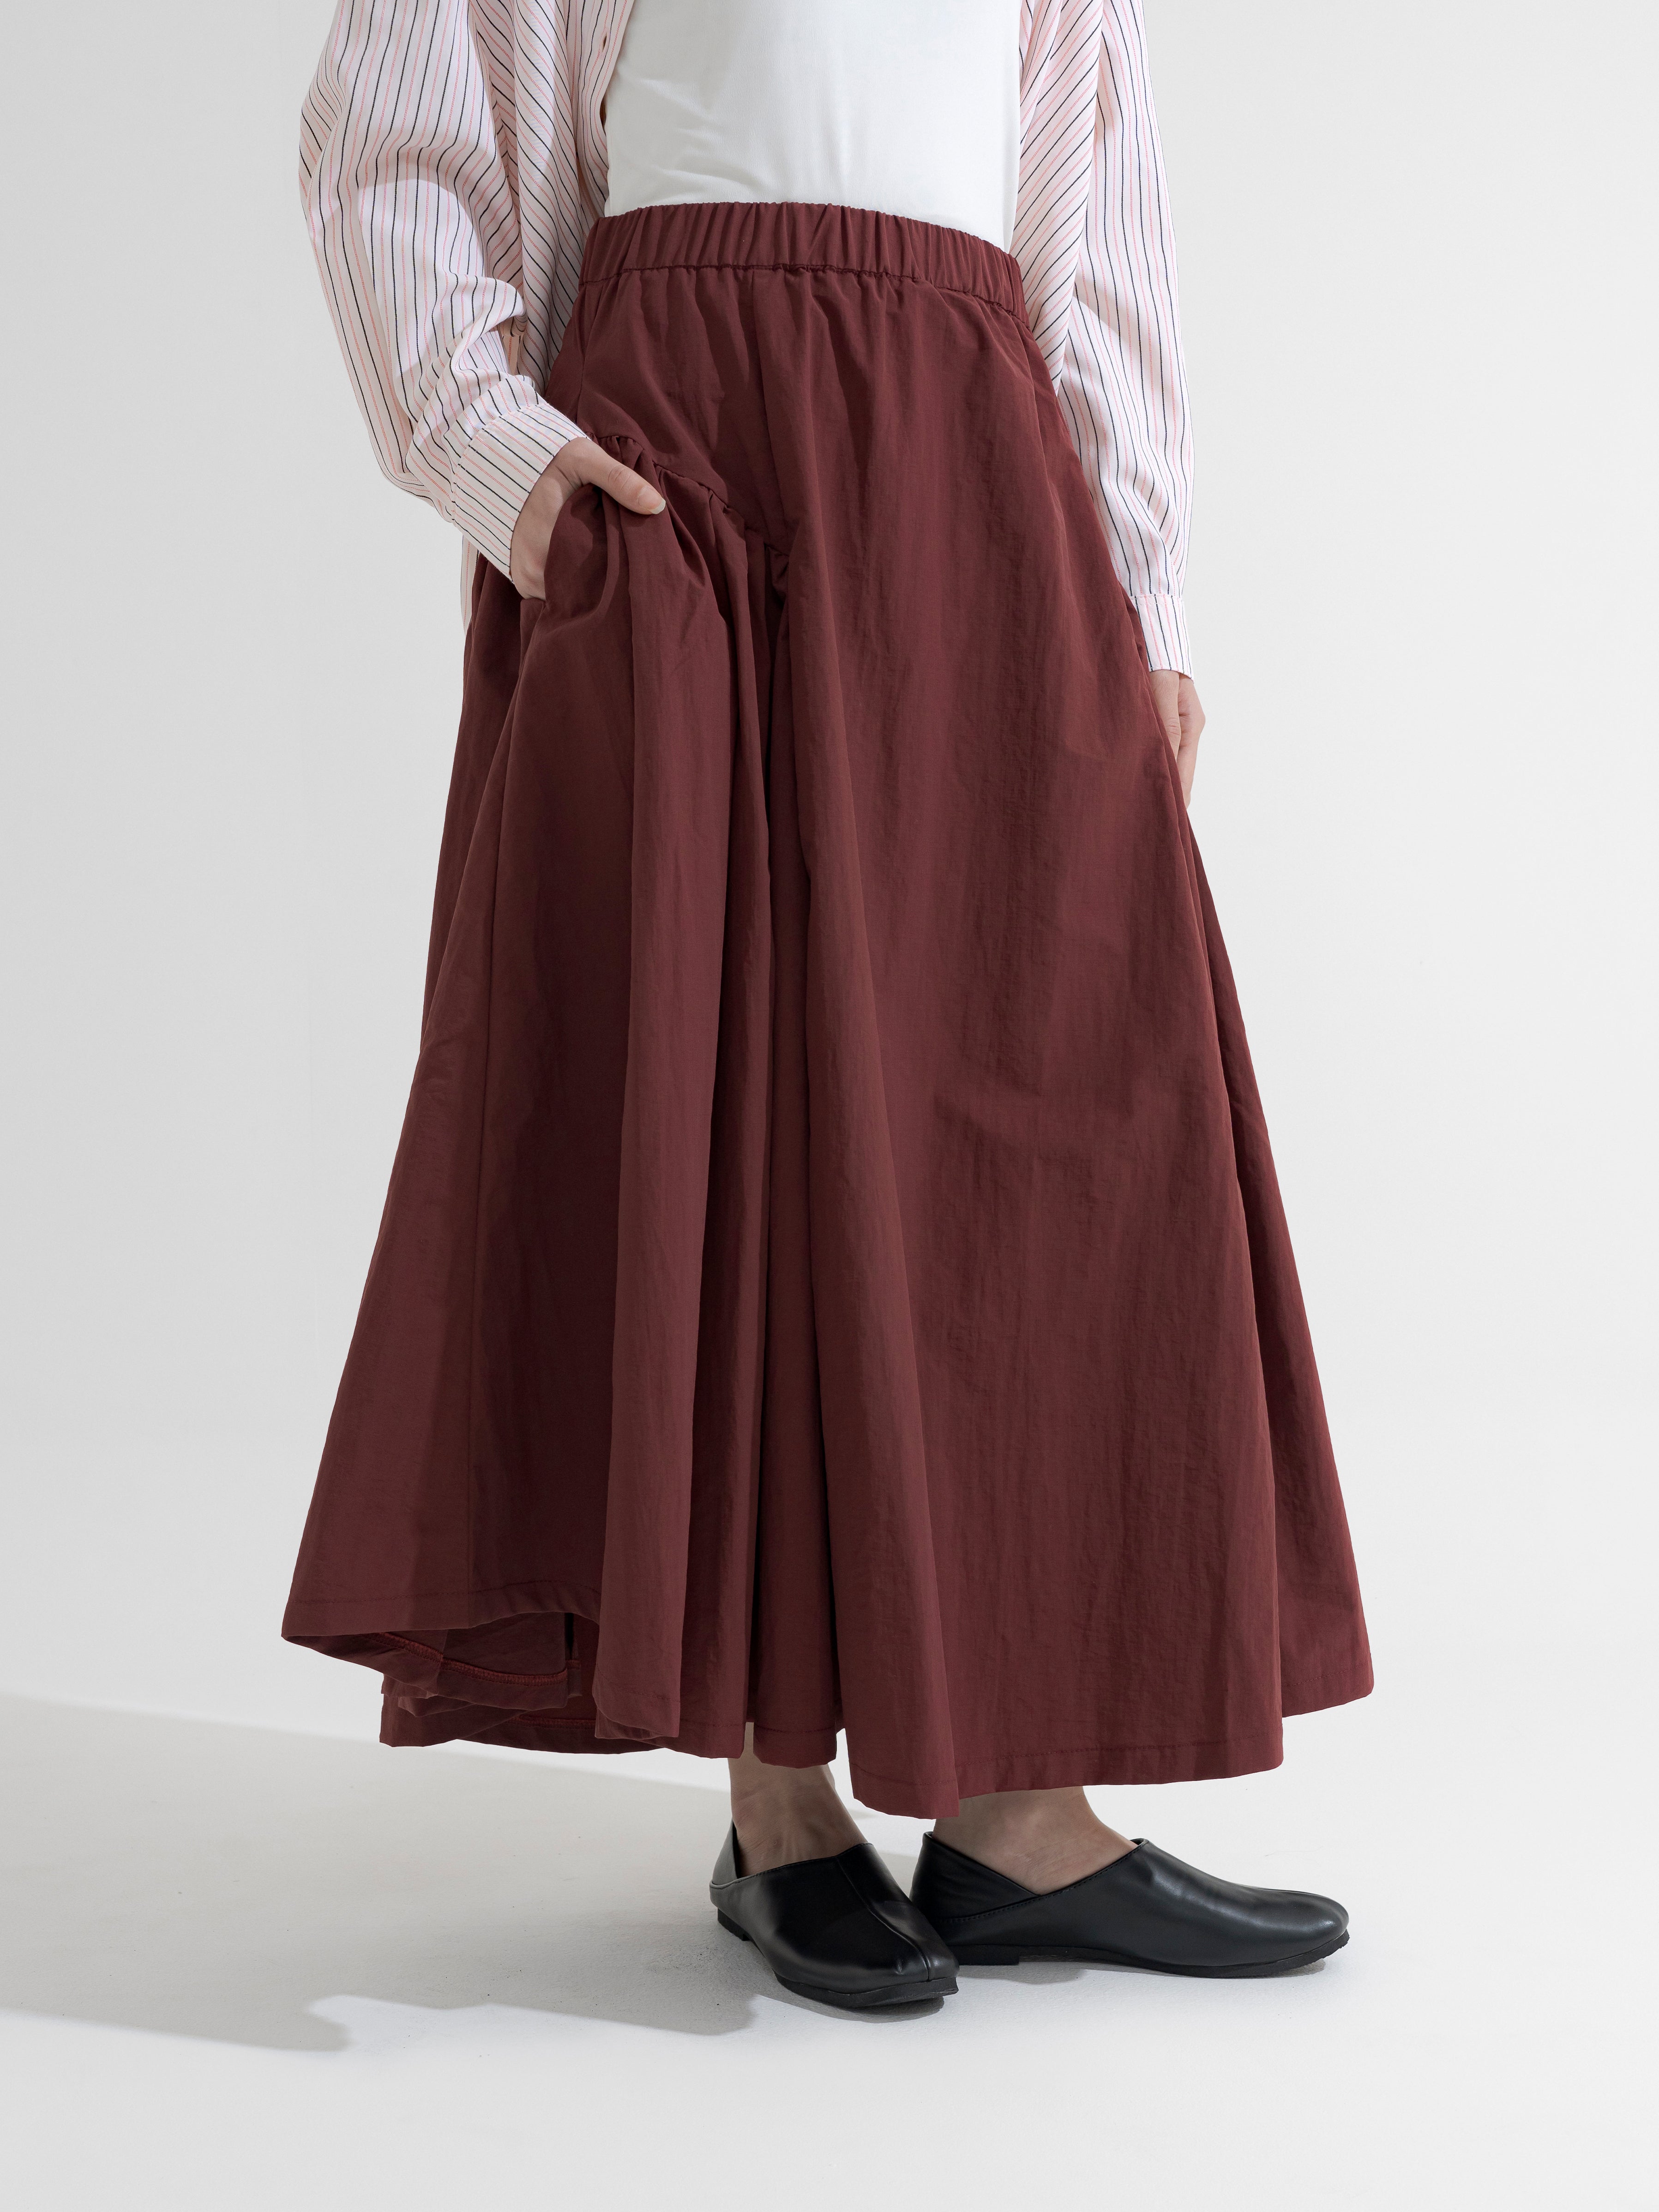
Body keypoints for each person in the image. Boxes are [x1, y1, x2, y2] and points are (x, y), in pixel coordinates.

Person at [284, 0, 1372, 2013]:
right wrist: (514, 473)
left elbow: (1093, 231)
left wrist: (1144, 603)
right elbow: (400, 146)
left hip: (978, 485)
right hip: (688, 486)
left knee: (1046, 1107)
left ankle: (1023, 1824)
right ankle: (778, 1810)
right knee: (733, 1110)